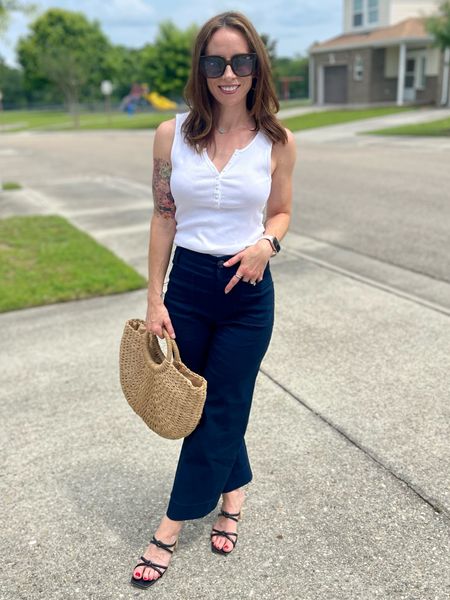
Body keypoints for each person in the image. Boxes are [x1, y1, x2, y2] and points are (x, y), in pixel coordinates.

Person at [130, 10, 296, 589]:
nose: (229, 73)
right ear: (201, 69)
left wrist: (267, 244)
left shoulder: (277, 139)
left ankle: (170, 526)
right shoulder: (170, 134)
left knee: (225, 406)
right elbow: (162, 215)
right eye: (216, 62)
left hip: (249, 293)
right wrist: (155, 299)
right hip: (190, 288)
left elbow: (281, 210)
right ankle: (235, 490)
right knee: (204, 407)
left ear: (257, 67)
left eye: (241, 61)